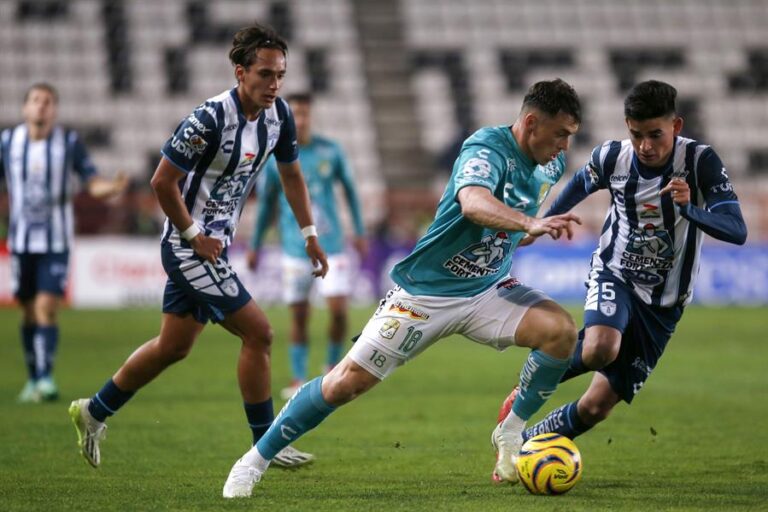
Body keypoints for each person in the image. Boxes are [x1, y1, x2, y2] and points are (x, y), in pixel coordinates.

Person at [222, 78, 584, 498]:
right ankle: (254, 460)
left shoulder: (551, 165)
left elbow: (513, 218)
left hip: (488, 290)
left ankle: (511, 430)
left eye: (570, 137)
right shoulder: (486, 148)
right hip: (426, 294)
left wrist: (527, 230)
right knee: (345, 383)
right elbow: (472, 202)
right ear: (532, 123)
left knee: (560, 332)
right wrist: (527, 223)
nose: (564, 147)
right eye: (560, 134)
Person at [68, 23, 329, 471]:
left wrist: (309, 234)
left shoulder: (279, 116)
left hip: (215, 248)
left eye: (280, 75)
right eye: (265, 74)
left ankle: (94, 409)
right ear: (240, 72)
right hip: (187, 246)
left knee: (173, 347)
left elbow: (291, 175)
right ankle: (265, 446)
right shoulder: (208, 119)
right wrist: (193, 235)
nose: (274, 84)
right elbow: (161, 182)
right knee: (259, 333)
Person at [497, 80, 747, 446]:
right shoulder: (613, 157)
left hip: (663, 303)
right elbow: (581, 183)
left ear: (676, 127)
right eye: (636, 135)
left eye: (655, 135)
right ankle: (530, 385)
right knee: (601, 346)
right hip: (616, 273)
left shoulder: (699, 161)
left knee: (596, 407)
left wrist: (689, 209)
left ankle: (526, 445)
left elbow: (737, 229)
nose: (645, 146)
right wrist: (543, 222)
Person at [0, 83, 128, 403]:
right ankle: (33, 378)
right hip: (20, 240)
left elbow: (91, 181)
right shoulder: (8, 142)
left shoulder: (68, 143)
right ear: (25, 108)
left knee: (46, 307)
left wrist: (110, 188)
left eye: (47, 102)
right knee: (28, 310)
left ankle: (45, 379)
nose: (41, 106)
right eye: (36, 101)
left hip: (56, 240)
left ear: (54, 110)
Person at [247, 92, 367, 400]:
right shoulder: (276, 157)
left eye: (304, 114)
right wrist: (255, 244)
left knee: (339, 311)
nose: (299, 120)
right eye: (294, 115)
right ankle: (299, 377)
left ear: (310, 116)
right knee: (299, 315)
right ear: (286, 118)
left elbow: (351, 192)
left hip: (333, 246)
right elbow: (266, 206)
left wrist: (360, 231)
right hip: (293, 248)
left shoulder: (331, 151)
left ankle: (331, 369)